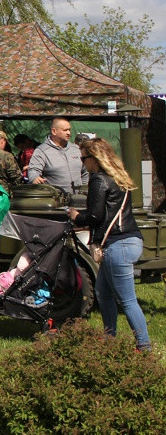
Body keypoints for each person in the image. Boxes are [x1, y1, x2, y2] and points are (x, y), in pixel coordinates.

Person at [67, 138, 150, 351]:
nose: (83, 163)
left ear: (95, 159)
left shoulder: (98, 180)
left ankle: (144, 347)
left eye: (84, 158)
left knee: (127, 300)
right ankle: (109, 340)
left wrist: (77, 216)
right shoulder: (118, 176)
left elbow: (95, 215)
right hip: (129, 240)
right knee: (103, 293)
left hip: (117, 245)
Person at [27, 117, 88, 193]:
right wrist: (35, 178)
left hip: (78, 200)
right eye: (65, 130)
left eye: (69, 130)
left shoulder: (76, 149)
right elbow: (33, 170)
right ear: (54, 131)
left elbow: (86, 171)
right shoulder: (41, 151)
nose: (69, 133)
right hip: (56, 200)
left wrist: (84, 190)